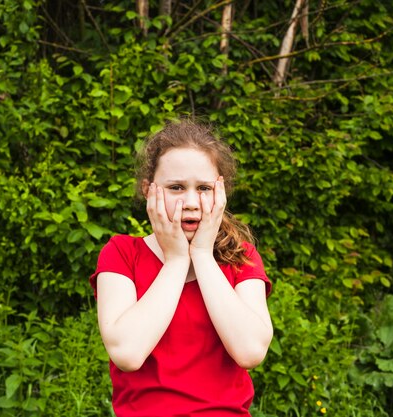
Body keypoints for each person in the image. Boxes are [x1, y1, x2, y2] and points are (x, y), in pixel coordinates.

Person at [90, 119, 273, 417]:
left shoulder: (240, 257)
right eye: (176, 187)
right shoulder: (121, 254)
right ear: (149, 190)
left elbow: (250, 351)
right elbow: (127, 353)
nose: (191, 202)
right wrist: (176, 261)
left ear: (220, 193)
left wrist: (201, 254)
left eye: (203, 188)